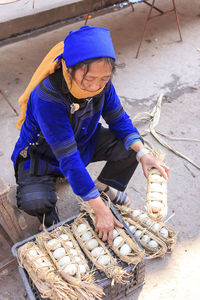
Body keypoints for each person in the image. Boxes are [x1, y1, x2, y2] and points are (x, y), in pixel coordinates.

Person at [11, 25, 169, 246]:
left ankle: (103, 187)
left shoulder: (103, 86)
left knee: (132, 147)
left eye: (104, 78)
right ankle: (49, 216)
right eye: (88, 78)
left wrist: (143, 154)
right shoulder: (48, 98)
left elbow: (119, 120)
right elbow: (69, 159)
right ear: (69, 68)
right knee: (35, 201)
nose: (95, 85)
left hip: (82, 141)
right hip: (42, 155)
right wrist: (100, 211)